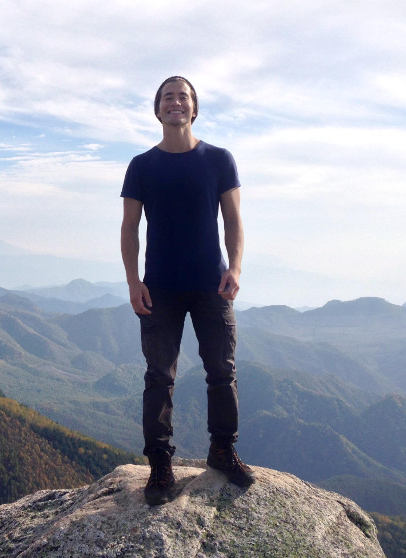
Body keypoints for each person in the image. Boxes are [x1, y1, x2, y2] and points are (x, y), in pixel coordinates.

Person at [120, 76, 255, 506]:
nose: (175, 102)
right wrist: (132, 281)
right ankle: (160, 463)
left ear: (193, 109)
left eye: (183, 97)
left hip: (211, 284)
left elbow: (233, 221)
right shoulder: (141, 166)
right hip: (159, 288)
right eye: (167, 97)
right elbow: (129, 227)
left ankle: (222, 450)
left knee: (221, 370)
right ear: (157, 110)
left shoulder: (219, 159)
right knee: (159, 376)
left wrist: (234, 267)